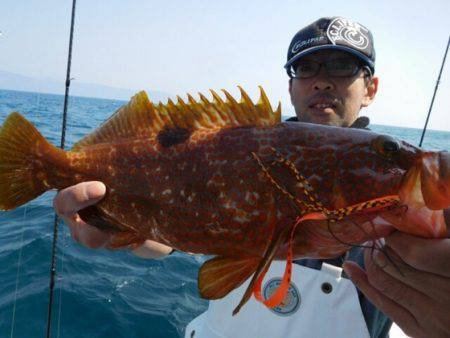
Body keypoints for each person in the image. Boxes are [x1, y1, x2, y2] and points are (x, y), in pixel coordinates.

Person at [53, 17, 450, 338]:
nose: (323, 80)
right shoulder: (243, 150)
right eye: (306, 67)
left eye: (343, 67)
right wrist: (120, 233)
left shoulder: (408, 202)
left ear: (371, 88)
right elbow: (164, 245)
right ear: (292, 86)